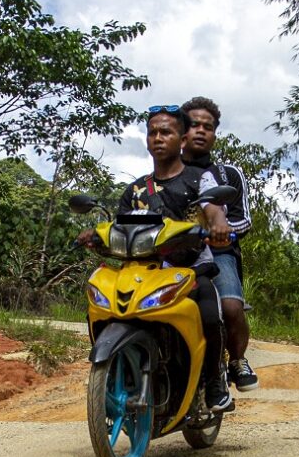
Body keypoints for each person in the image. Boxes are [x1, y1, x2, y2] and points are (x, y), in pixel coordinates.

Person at [95, 105, 235, 414]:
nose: (158, 138)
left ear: (182, 139)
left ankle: (215, 382)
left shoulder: (200, 179)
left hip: (191, 270)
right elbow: (120, 225)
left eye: (166, 132)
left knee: (210, 312)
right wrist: (94, 235)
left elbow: (213, 208)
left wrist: (218, 224)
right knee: (105, 303)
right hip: (145, 272)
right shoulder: (135, 190)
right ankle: (110, 372)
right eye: (152, 133)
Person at [179, 96, 256, 390]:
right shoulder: (165, 174)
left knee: (231, 308)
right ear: (181, 130)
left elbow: (244, 219)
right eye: (194, 125)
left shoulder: (228, 174)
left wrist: (223, 230)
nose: (200, 130)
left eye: (208, 127)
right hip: (172, 254)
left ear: (214, 134)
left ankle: (237, 359)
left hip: (218, 253)